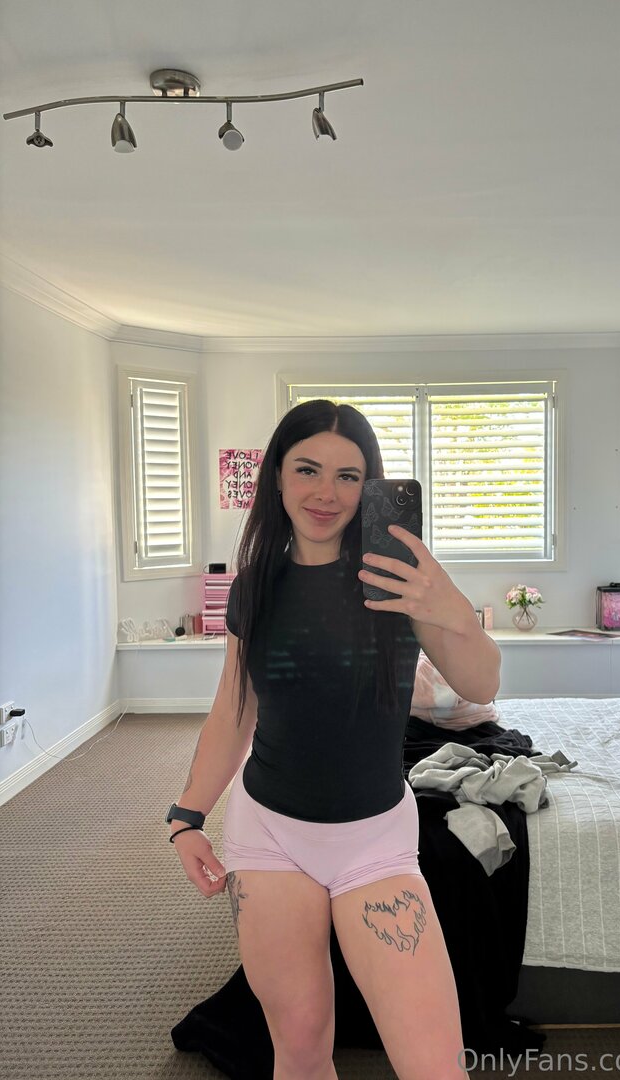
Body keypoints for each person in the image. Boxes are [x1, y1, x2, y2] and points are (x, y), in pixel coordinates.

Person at [168, 399, 501, 1080]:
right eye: (308, 469)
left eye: (348, 476)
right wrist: (186, 815)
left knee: (436, 1067)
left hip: (375, 840)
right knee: (298, 1050)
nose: (326, 492)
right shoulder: (254, 587)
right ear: (278, 476)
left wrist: (450, 610)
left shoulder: (398, 580)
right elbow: (233, 709)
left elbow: (481, 682)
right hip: (270, 834)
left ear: (368, 485)